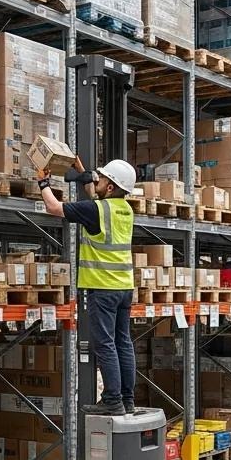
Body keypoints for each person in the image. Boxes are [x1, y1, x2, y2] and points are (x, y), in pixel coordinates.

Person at [38, 158, 137, 416]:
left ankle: (112, 399)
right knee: (123, 343)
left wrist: (42, 181)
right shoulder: (123, 209)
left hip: (102, 288)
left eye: (102, 179)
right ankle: (126, 399)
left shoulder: (97, 210)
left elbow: (53, 207)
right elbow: (95, 197)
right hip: (124, 288)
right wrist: (83, 174)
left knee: (105, 344)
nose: (98, 181)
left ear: (111, 187)